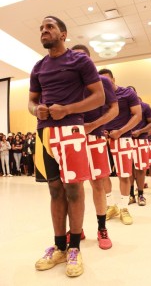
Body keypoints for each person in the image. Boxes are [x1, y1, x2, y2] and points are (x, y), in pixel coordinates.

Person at [28, 16, 105, 277]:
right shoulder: (38, 67)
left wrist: (68, 109)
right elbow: (31, 101)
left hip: (72, 131)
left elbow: (99, 96)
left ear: (63, 33)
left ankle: (74, 248)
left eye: (49, 27)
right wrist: (35, 110)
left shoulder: (80, 60)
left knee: (74, 189)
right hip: (45, 134)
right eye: (41, 28)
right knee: (54, 190)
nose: (44, 31)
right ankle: (59, 247)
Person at [66, 44, 119, 250]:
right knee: (75, 188)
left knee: (98, 185)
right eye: (74, 57)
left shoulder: (102, 81)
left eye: (82, 58)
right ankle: (77, 230)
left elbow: (114, 110)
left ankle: (102, 228)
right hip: (72, 139)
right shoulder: (67, 82)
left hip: (95, 138)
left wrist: (93, 126)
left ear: (89, 60)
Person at [98, 69, 142, 225]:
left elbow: (138, 115)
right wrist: (100, 128)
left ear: (114, 79)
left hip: (123, 138)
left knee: (124, 174)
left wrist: (121, 131)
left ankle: (124, 207)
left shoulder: (127, 93)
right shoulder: (98, 95)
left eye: (107, 81)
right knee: (102, 174)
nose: (104, 85)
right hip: (102, 139)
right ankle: (111, 205)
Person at [129, 97, 151, 206]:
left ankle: (140, 194)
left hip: (141, 140)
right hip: (126, 140)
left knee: (141, 168)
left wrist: (141, 131)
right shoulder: (123, 106)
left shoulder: (144, 106)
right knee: (128, 169)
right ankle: (130, 195)